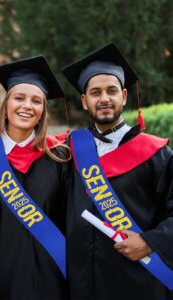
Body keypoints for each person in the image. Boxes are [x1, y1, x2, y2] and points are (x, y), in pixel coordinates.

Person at [62, 42, 173, 299]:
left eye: (111, 91)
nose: (104, 99)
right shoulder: (69, 151)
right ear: (84, 101)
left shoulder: (157, 154)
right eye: (95, 92)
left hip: (138, 283)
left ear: (123, 96)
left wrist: (150, 242)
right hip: (83, 284)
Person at [0, 55, 71, 300]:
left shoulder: (60, 157)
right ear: (5, 104)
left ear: (42, 111)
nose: (27, 106)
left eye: (36, 101)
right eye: (19, 98)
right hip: (4, 270)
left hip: (53, 273)